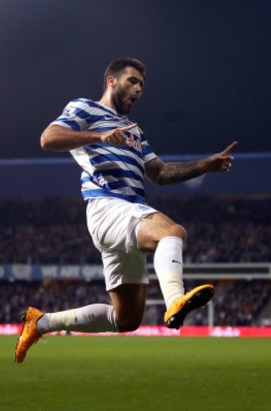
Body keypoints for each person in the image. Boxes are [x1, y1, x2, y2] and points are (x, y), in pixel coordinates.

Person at [15, 57, 237, 363]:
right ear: (111, 81)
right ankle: (175, 299)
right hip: (107, 205)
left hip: (129, 212)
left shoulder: (135, 131)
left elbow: (159, 173)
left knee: (127, 319)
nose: (138, 89)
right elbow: (48, 138)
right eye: (133, 81)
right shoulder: (85, 108)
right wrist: (98, 136)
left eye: (142, 86)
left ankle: (40, 323)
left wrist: (205, 165)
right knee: (171, 233)